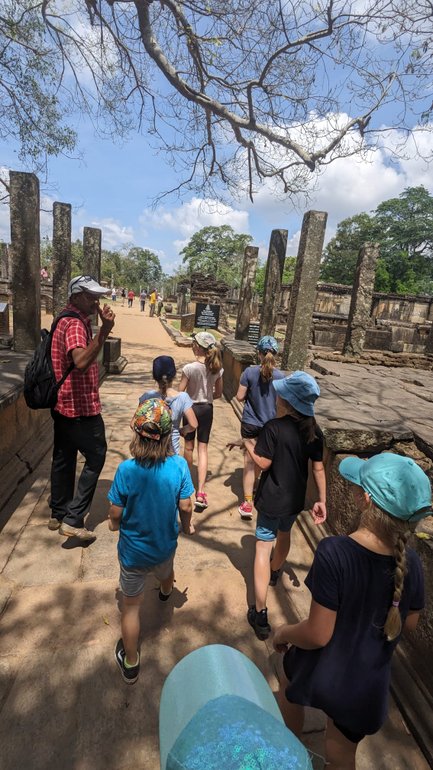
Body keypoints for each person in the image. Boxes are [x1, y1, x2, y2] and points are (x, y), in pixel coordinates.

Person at [273, 453, 431, 770]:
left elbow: (318, 634)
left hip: (323, 670)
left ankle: (288, 750)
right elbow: (409, 623)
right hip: (365, 686)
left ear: (364, 499)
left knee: (285, 677)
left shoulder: (335, 552)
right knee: (341, 756)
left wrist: (283, 632)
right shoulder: (411, 562)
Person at [108, 397, 195, 684]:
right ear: (168, 436)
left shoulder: (126, 470)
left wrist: (113, 523)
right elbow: (185, 506)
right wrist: (187, 525)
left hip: (133, 553)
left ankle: (131, 662)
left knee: (131, 608)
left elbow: (115, 511)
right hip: (164, 546)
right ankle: (166, 592)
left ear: (136, 432)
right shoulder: (179, 466)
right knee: (166, 570)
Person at [242, 371, 326, 640]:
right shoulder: (313, 432)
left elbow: (263, 463)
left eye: (280, 395)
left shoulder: (273, 428)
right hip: (293, 500)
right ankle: (276, 570)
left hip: (271, 499)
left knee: (262, 548)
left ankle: (261, 612)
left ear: (287, 402)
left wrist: (247, 444)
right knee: (285, 534)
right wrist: (322, 500)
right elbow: (318, 469)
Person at [48, 275, 115, 541]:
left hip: (62, 402)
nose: (95, 301)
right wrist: (104, 332)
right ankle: (73, 519)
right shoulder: (75, 324)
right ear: (76, 296)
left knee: (64, 456)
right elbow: (80, 362)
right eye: (90, 296)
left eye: (97, 296)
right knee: (97, 455)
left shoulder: (63, 318)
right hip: (79, 406)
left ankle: (58, 511)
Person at [233, 335, 285, 520]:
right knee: (261, 461)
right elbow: (282, 404)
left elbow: (239, 397)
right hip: (270, 426)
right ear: (276, 354)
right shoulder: (281, 377)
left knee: (249, 460)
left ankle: (247, 502)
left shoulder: (249, 372)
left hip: (250, 422)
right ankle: (255, 487)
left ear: (259, 353)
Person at [178, 331, 223, 511]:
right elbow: (218, 393)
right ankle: (201, 491)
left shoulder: (189, 368)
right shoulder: (217, 368)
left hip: (190, 409)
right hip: (207, 409)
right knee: (202, 448)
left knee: (188, 447)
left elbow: (181, 392)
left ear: (198, 347)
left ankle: (186, 487)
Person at [138, 355, 198, 454]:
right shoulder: (182, 397)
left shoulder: (147, 397)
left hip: (149, 452)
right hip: (172, 451)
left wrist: (150, 435)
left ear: (154, 376)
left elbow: (133, 424)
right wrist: (182, 430)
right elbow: (193, 424)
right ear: (174, 375)